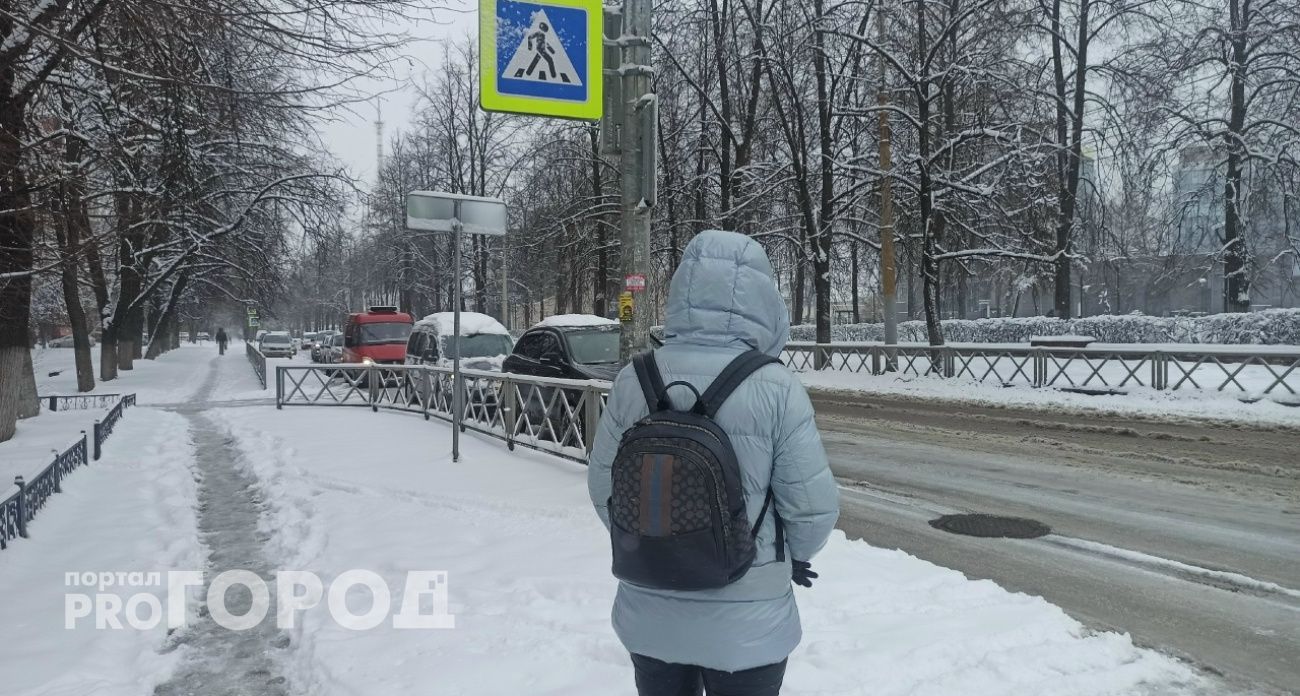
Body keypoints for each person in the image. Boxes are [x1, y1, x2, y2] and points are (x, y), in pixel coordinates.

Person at [588, 230, 840, 696]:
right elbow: (812, 510)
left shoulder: (633, 379)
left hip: (649, 610)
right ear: (764, 299)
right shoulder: (775, 386)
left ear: (682, 292)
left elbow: (603, 487)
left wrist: (656, 543)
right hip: (748, 618)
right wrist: (789, 558)